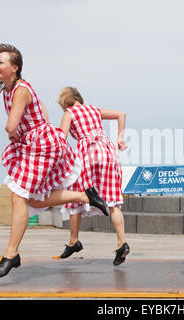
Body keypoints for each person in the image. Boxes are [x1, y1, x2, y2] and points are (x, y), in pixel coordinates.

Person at [0, 44, 109, 278]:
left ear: (15, 67)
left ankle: (11, 255)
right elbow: (40, 108)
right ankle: (86, 195)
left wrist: (15, 132)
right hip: (35, 143)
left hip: (40, 145)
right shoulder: (8, 90)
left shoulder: (20, 89)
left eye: (1, 62)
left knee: (18, 195)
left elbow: (11, 125)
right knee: (34, 199)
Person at [56, 86, 130, 265]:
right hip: (107, 151)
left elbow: (62, 138)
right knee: (112, 201)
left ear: (65, 101)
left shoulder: (69, 113)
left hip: (87, 153)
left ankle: (74, 241)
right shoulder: (94, 110)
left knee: (76, 195)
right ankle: (122, 243)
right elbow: (122, 114)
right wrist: (120, 137)